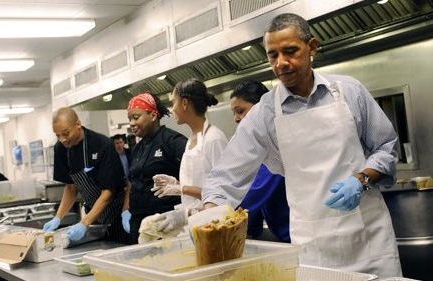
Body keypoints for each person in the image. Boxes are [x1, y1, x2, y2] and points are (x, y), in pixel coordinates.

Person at [202, 13, 402, 278]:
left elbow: (387, 147)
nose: (281, 63)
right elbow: (225, 176)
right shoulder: (265, 114)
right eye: (273, 55)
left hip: (368, 240)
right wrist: (207, 217)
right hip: (312, 247)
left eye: (290, 51)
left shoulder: (349, 92)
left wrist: (362, 178)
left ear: (312, 47)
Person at [143, 79, 228, 240]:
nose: (172, 108)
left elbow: (223, 194)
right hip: (195, 226)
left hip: (214, 228)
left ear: (185, 103)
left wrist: (182, 189)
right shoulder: (191, 140)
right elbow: (202, 182)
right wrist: (176, 184)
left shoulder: (214, 138)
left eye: (173, 102)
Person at [43, 107, 129, 244]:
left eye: (65, 133)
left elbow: (108, 192)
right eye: (57, 135)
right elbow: (71, 187)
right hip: (94, 217)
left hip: (116, 214)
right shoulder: (60, 149)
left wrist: (84, 222)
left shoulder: (102, 144)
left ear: (78, 124)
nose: (62, 140)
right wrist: (58, 217)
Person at [122, 92, 187, 244]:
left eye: (136, 117)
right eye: (129, 119)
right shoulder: (138, 148)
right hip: (138, 220)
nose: (131, 123)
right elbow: (132, 182)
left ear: (152, 115)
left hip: (163, 221)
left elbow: (192, 175)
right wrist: (126, 210)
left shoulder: (172, 141)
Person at [230, 80, 290, 242]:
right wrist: (251, 230)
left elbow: (254, 193)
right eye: (234, 113)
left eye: (240, 111)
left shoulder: (276, 142)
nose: (236, 119)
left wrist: (211, 213)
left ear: (261, 107)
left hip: (295, 233)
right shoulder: (256, 144)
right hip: (281, 232)